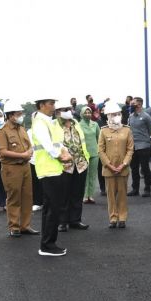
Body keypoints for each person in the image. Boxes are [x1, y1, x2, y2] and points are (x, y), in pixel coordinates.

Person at [32, 97, 73, 257]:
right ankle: (47, 245)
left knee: (51, 208)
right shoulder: (40, 122)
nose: (53, 106)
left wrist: (65, 151)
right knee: (52, 208)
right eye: (51, 103)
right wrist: (62, 157)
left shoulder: (49, 121)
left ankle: (48, 243)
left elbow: (57, 143)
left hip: (55, 169)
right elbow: (48, 146)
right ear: (41, 105)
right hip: (48, 169)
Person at [0, 101, 39, 237]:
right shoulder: (3, 131)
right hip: (11, 168)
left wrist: (30, 151)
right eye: (18, 114)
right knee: (14, 197)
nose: (21, 116)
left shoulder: (21, 129)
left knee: (27, 197)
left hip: (25, 166)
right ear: (10, 115)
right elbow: (2, 151)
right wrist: (22, 154)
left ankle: (25, 225)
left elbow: (29, 145)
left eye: (21, 113)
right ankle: (14, 226)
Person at [55, 102, 91, 232]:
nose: (69, 111)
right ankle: (62, 221)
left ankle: (75, 220)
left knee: (77, 192)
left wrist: (85, 159)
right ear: (58, 112)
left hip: (80, 163)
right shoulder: (54, 125)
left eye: (69, 109)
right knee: (63, 194)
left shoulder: (76, 123)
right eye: (65, 109)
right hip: (64, 165)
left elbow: (82, 142)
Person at [98, 102, 134, 228]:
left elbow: (130, 149)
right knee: (111, 194)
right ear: (108, 116)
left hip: (123, 168)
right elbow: (100, 150)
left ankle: (122, 217)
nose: (116, 116)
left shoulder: (127, 130)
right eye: (113, 114)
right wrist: (109, 165)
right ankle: (113, 217)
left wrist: (124, 164)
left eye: (118, 114)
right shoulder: (103, 131)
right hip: (109, 169)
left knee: (122, 193)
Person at [127, 97, 151, 197]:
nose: (131, 105)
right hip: (133, 146)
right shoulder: (130, 116)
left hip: (144, 146)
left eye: (133, 103)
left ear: (139, 104)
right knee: (134, 168)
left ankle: (147, 189)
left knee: (145, 168)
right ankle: (135, 189)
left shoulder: (146, 116)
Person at [79, 106, 100, 204]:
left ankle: (90, 195)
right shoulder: (78, 125)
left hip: (94, 153)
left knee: (92, 175)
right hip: (83, 153)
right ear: (82, 114)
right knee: (84, 175)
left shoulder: (95, 124)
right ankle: (84, 195)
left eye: (89, 112)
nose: (87, 114)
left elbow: (99, 139)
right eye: (85, 112)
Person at [27, 118, 43, 212]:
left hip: (44, 160)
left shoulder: (45, 130)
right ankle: (37, 202)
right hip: (33, 160)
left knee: (45, 182)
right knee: (35, 182)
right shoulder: (29, 132)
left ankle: (45, 201)